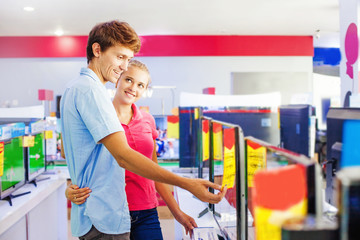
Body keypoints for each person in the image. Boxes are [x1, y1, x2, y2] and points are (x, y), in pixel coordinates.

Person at [60, 20, 226, 239]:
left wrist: (176, 209)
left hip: (129, 211)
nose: (123, 67)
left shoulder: (78, 88)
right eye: (120, 58)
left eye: (127, 60)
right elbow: (122, 156)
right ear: (97, 49)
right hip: (104, 215)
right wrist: (188, 184)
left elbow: (85, 153)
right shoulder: (91, 93)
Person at [66, 60, 197, 239]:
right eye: (129, 80)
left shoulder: (147, 120)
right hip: (109, 212)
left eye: (141, 85)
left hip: (146, 211)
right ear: (118, 79)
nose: (133, 87)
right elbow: (80, 159)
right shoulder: (99, 116)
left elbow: (154, 171)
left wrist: (177, 212)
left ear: (145, 90)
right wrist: (70, 189)